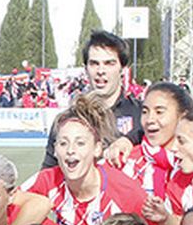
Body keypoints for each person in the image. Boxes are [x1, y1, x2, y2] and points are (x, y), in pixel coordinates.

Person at [25, 94, 163, 225]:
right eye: (63, 143)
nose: (70, 151)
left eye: (80, 143)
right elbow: (10, 208)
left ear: (97, 148)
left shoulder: (126, 192)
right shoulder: (49, 180)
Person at [42, 30, 144, 169]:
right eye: (94, 63)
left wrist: (130, 139)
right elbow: (48, 174)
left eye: (109, 63)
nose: (101, 71)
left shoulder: (141, 113)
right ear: (86, 69)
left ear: (122, 69)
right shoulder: (67, 119)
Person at [119, 82, 191, 197]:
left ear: (182, 117)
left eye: (159, 112)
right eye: (145, 112)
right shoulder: (126, 160)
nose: (149, 120)